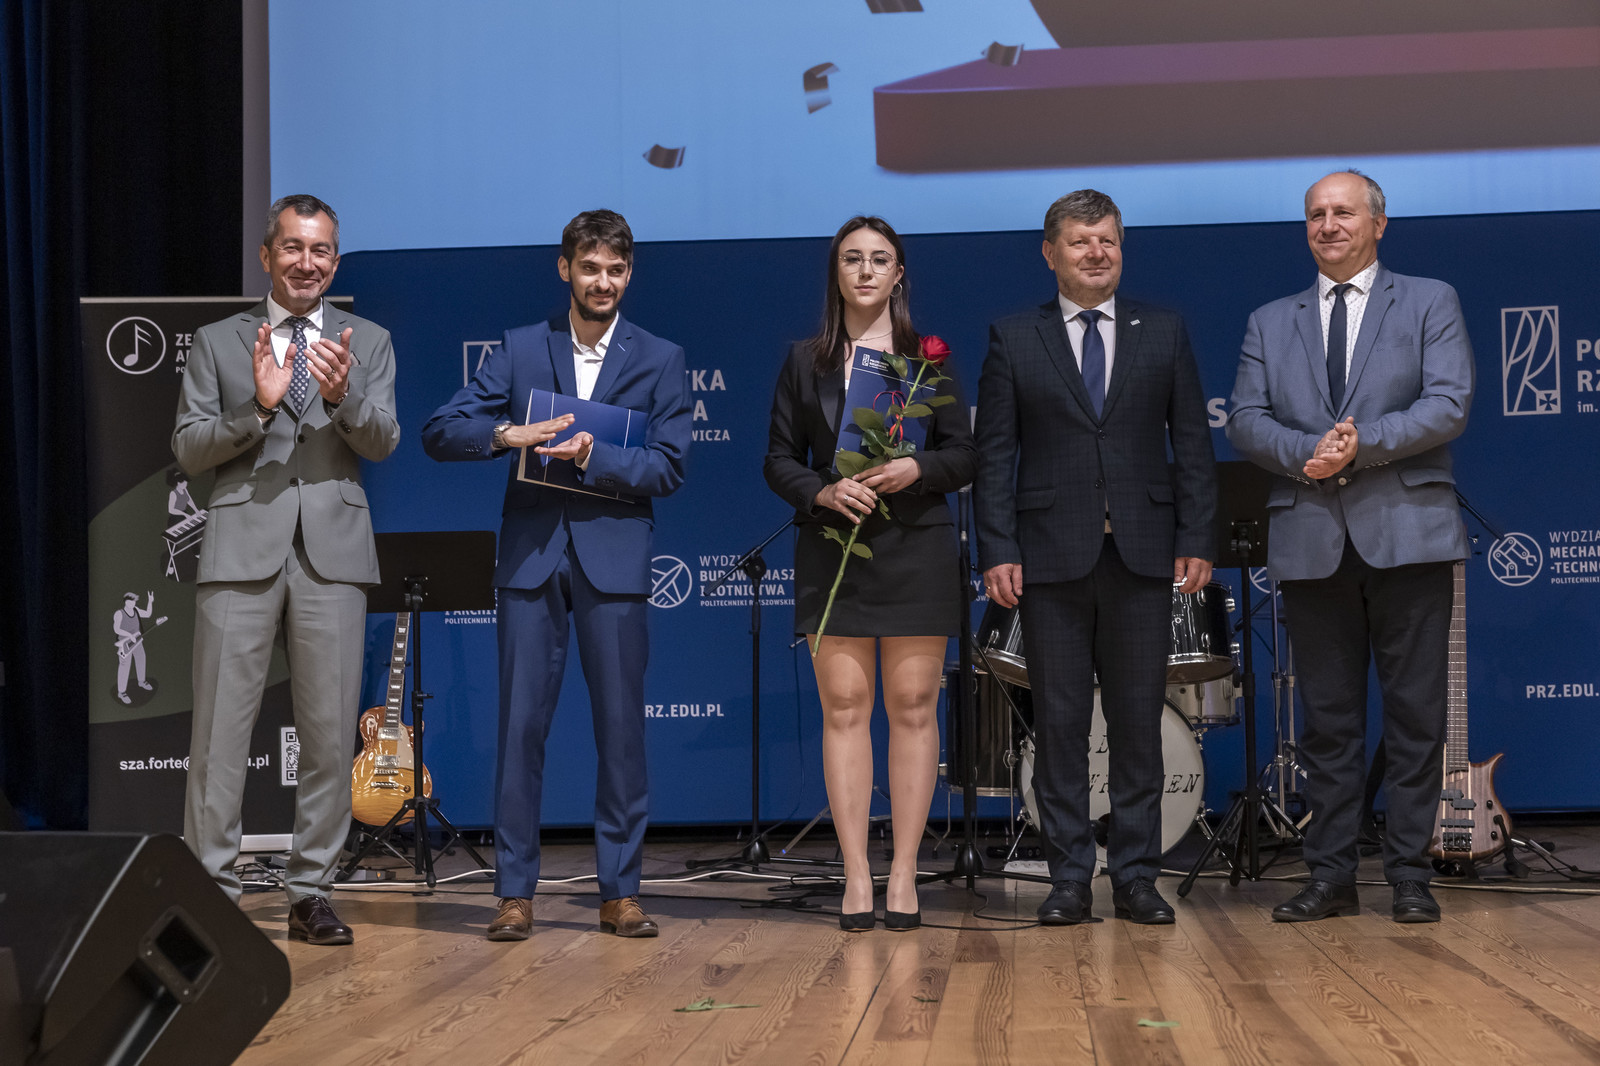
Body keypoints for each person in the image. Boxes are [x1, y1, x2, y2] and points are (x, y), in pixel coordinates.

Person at [422, 210, 691, 942]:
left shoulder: (661, 357)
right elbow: (440, 431)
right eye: (590, 267)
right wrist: (507, 433)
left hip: (615, 561)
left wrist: (592, 457)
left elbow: (669, 467)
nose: (603, 282)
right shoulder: (519, 349)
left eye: (616, 270)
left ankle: (621, 892)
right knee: (519, 731)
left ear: (629, 274)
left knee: (622, 734)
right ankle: (514, 893)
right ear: (565, 268)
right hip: (531, 558)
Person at [1228, 170, 1473, 924]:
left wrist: (1362, 444)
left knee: (1416, 717)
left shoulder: (1429, 299)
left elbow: (1448, 402)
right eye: (1315, 215)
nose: (1328, 225)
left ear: (1378, 223)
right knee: (1328, 723)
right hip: (1311, 540)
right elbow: (1244, 418)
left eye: (1343, 212)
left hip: (1410, 536)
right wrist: (1309, 451)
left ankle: (1410, 875)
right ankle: (1330, 876)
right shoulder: (1271, 320)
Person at [974, 189, 1216, 925]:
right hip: (1048, 559)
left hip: (1145, 556)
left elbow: (1193, 445)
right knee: (1060, 727)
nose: (1096, 252)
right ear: (1051, 253)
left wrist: (1197, 538)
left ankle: (1138, 876)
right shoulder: (1014, 336)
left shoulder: (1164, 330)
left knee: (1139, 722)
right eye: (1080, 241)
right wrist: (998, 547)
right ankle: (1070, 878)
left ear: (1121, 248)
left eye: (1107, 240)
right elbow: (995, 456)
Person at [174, 194, 399, 945]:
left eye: (321, 250)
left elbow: (383, 441)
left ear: (335, 260)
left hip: (332, 556)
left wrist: (343, 397)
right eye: (294, 248)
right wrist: (259, 411)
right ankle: (211, 895)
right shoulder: (218, 341)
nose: (308, 263)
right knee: (219, 738)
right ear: (267, 255)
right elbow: (190, 448)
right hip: (241, 549)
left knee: (330, 738)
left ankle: (310, 893)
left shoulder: (369, 341)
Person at [765, 216, 977, 930]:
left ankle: (904, 874)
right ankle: (857, 874)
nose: (865, 270)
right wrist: (821, 491)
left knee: (914, 706)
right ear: (837, 271)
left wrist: (918, 468)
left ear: (898, 274)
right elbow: (778, 459)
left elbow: (965, 454)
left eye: (879, 259)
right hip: (836, 545)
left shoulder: (930, 359)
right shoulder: (806, 360)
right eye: (852, 258)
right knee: (846, 708)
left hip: (916, 545)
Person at [114, 591, 156, 704]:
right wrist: (129, 635)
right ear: (126, 601)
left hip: (137, 640)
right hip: (125, 643)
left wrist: (150, 602)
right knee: (125, 666)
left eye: (134, 601)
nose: (133, 603)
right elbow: (116, 629)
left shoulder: (136, 610)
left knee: (141, 658)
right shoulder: (119, 613)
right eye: (131, 601)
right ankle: (121, 692)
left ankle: (141, 681)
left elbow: (148, 614)